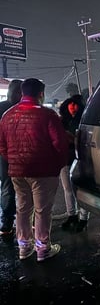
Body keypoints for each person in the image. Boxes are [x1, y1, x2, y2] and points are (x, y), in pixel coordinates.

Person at [0, 78, 68, 262]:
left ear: (22, 93)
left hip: (17, 171)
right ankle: (43, 248)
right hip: (43, 171)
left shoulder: (8, 115)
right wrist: (57, 165)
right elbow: (60, 145)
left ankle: (24, 248)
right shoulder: (48, 115)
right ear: (41, 94)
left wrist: (14, 161)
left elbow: (2, 146)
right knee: (42, 210)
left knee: (22, 209)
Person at [59, 94, 90, 232]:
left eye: (76, 104)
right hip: (65, 159)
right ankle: (71, 215)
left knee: (82, 189)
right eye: (70, 104)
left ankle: (83, 218)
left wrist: (73, 139)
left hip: (82, 160)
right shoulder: (61, 121)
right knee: (67, 189)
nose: (72, 106)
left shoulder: (86, 121)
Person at [0, 79, 22, 238]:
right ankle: (16, 223)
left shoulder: (1, 107)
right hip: (14, 154)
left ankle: (7, 224)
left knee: (8, 187)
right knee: (22, 188)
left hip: (4, 154)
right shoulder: (18, 109)